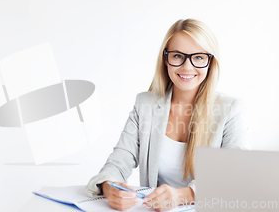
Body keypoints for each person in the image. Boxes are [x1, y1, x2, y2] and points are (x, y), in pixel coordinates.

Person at [85, 18, 251, 211]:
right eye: (178, 56)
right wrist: (109, 186)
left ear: (210, 62)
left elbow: (237, 174)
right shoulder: (145, 104)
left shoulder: (231, 109)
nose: (187, 67)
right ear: (166, 59)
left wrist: (184, 195)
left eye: (198, 57)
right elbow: (120, 159)